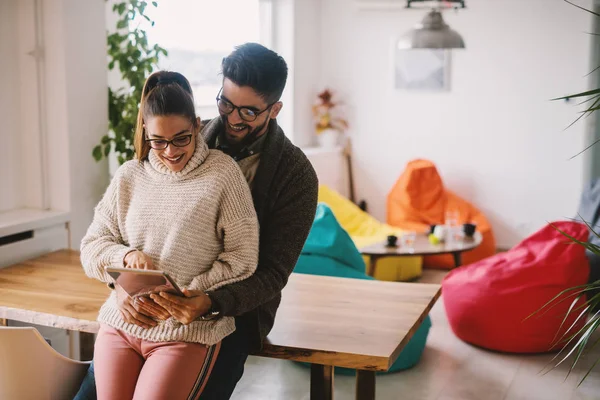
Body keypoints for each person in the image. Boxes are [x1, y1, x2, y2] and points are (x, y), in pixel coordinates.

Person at [75, 42, 319, 400]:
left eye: (249, 112)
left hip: (232, 312)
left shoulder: (295, 175)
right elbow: (131, 235)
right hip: (143, 311)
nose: (234, 119)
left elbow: (270, 273)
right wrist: (123, 285)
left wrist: (206, 301)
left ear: (275, 109)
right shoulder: (181, 138)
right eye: (226, 103)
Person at [79, 70, 259, 400]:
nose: (170, 151)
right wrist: (125, 259)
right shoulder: (130, 176)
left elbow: (243, 258)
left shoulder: (222, 175)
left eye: (181, 139)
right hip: (121, 324)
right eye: (158, 142)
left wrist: (193, 293)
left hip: (186, 331)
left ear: (196, 125)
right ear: (145, 133)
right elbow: (91, 246)